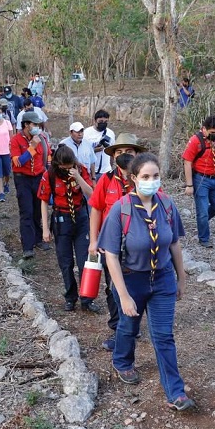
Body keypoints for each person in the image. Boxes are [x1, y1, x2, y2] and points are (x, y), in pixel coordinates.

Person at [98, 152, 194, 412]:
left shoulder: (167, 205)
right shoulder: (121, 209)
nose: (151, 181)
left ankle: (175, 392)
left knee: (164, 336)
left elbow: (173, 242)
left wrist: (180, 280)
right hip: (131, 279)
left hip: (162, 278)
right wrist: (124, 295)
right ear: (133, 179)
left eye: (155, 176)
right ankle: (122, 360)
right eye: (145, 177)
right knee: (128, 327)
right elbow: (111, 255)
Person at [89, 134, 145, 351]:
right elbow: (95, 208)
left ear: (137, 155)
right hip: (110, 246)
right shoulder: (106, 179)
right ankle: (119, 328)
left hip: (138, 247)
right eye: (119, 152)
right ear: (113, 157)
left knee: (136, 288)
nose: (124, 156)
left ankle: (131, 326)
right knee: (113, 288)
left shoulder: (145, 179)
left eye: (128, 152)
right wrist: (94, 240)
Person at [39, 146, 101, 312]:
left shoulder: (81, 169)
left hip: (80, 218)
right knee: (65, 262)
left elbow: (92, 194)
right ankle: (70, 297)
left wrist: (78, 177)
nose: (67, 170)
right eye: (64, 168)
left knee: (84, 262)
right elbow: (44, 201)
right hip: (61, 220)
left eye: (70, 167)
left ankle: (87, 299)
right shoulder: (50, 174)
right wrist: (45, 229)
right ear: (58, 165)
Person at [182, 115, 215, 248]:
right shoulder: (195, 141)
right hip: (200, 179)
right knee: (202, 211)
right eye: (212, 133)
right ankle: (204, 238)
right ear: (204, 129)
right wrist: (189, 185)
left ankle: (202, 221)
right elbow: (187, 162)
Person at [10, 111, 53, 258]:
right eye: (34, 124)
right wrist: (32, 148)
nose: (37, 127)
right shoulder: (16, 140)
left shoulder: (41, 138)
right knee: (26, 211)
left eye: (38, 124)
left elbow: (47, 157)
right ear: (26, 125)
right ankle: (27, 246)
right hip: (23, 179)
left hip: (38, 178)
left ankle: (38, 239)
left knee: (37, 210)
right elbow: (18, 162)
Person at [84, 110, 117, 178]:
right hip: (91, 171)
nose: (103, 123)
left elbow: (112, 152)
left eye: (105, 122)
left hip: (106, 170)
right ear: (95, 120)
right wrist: (94, 150)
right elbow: (82, 152)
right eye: (100, 122)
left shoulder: (110, 133)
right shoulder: (86, 133)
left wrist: (111, 167)